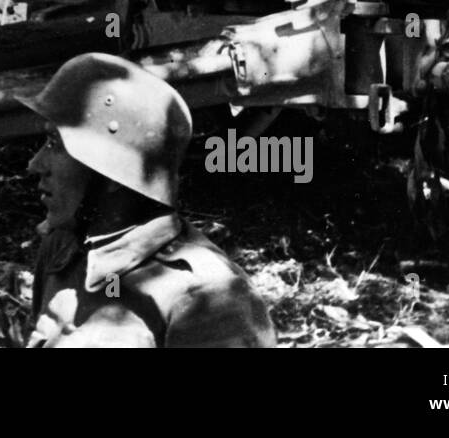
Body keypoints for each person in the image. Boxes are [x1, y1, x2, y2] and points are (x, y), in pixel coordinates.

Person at [21, 52, 276, 348]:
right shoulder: (63, 248)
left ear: (112, 171)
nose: (35, 164)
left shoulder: (206, 295)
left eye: (55, 144)